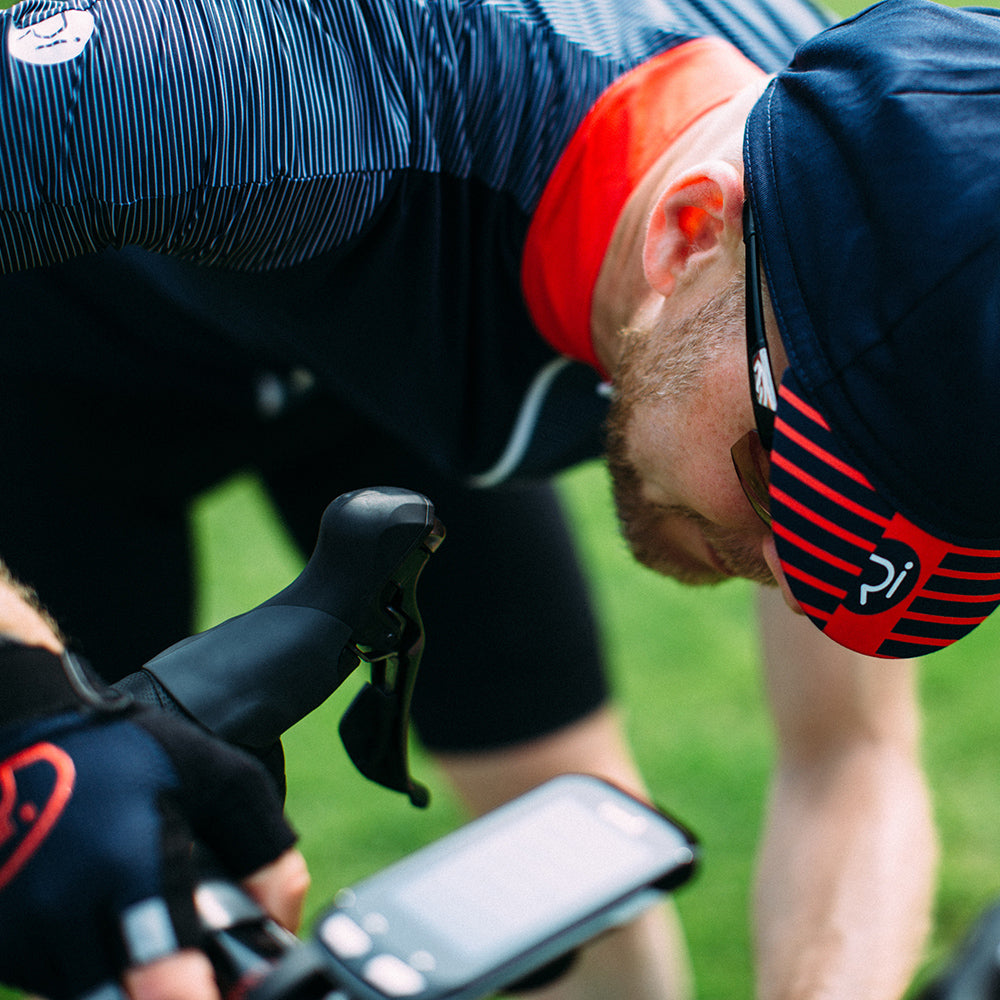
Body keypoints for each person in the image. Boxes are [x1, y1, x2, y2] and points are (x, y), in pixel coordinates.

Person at [5, 0, 998, 996]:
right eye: (785, 494)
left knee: (580, 863)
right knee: (131, 913)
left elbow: (848, 758)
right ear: (689, 231)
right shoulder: (247, 93)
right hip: (62, 372)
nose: (790, 578)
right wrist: (28, 707)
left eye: (859, 528)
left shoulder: (844, 225)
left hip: (370, 372)